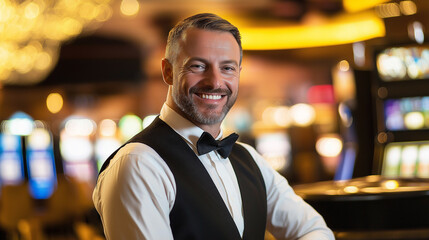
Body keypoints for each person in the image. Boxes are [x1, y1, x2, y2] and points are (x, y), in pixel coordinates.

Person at [93, 13, 335, 240]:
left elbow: (314, 229)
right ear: (168, 71)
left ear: (238, 73)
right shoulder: (138, 163)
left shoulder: (249, 159)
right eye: (198, 66)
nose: (216, 82)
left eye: (227, 68)